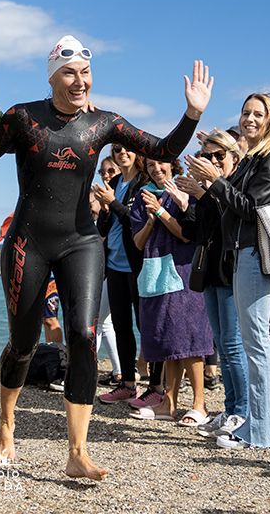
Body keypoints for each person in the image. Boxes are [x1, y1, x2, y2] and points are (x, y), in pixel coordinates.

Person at [0, 36, 212, 479]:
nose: (79, 81)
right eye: (69, 73)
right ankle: (6, 426)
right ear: (53, 78)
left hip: (82, 241)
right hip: (29, 242)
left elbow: (162, 150)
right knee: (25, 342)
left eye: (85, 73)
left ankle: (77, 452)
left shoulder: (103, 123)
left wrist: (192, 113)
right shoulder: (22, 118)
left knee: (84, 336)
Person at [186, 93, 270, 449]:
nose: (249, 118)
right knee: (263, 343)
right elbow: (231, 207)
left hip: (256, 254)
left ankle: (263, 431)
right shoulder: (251, 159)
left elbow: (254, 209)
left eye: (258, 114)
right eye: (245, 112)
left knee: (254, 343)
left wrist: (216, 182)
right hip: (244, 253)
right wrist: (215, 181)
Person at [173, 129, 249, 440]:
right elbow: (194, 231)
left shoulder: (237, 183)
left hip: (232, 268)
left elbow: (236, 218)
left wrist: (206, 193)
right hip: (210, 269)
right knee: (220, 341)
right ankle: (230, 408)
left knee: (232, 344)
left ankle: (243, 411)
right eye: (209, 156)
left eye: (220, 155)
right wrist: (186, 202)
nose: (214, 161)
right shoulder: (205, 189)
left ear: (234, 157)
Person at [127, 159, 214, 427]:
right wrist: (152, 218)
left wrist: (163, 213)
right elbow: (138, 242)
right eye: (150, 165)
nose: (156, 168)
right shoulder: (143, 197)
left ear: (173, 164)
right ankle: (169, 403)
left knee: (190, 337)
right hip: (157, 272)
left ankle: (199, 404)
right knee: (168, 340)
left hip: (184, 270)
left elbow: (187, 234)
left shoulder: (185, 190)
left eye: (160, 162)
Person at [93, 144, 157, 406]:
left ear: (137, 153)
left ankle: (155, 386)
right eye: (117, 149)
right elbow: (104, 225)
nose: (122, 153)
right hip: (115, 264)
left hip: (138, 263)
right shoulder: (116, 181)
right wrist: (106, 208)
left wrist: (114, 204)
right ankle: (127, 383)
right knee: (120, 326)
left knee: (147, 326)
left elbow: (137, 220)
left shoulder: (145, 182)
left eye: (127, 149)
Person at [91, 156, 121, 386]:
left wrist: (107, 205)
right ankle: (120, 371)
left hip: (118, 264)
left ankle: (84, 369)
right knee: (106, 322)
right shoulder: (103, 199)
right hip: (104, 265)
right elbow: (101, 230)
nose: (106, 175)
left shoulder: (121, 194)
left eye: (111, 170)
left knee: (97, 321)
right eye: (103, 171)